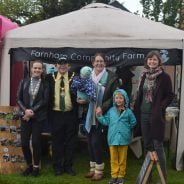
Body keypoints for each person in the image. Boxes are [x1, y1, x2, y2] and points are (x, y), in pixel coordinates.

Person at [134, 50, 174, 183]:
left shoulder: (164, 77)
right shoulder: (143, 75)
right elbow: (140, 93)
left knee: (158, 145)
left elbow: (170, 95)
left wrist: (161, 106)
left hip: (156, 116)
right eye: (150, 59)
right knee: (147, 144)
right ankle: (148, 176)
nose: (152, 61)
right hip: (143, 114)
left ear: (159, 62)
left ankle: (163, 179)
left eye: (155, 59)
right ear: (147, 61)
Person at [79, 53, 119, 181]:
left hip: (102, 115)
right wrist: (82, 100)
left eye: (101, 61)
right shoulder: (87, 76)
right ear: (93, 63)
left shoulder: (111, 77)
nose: (99, 63)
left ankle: (99, 171)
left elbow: (115, 96)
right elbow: (83, 93)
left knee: (97, 142)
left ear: (105, 63)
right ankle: (92, 169)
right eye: (97, 61)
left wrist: (103, 107)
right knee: (90, 142)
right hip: (88, 114)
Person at [17, 60, 49, 177]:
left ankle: (36, 168)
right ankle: (29, 166)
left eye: (39, 68)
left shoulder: (45, 84)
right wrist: (25, 110)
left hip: (38, 118)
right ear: (31, 69)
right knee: (24, 143)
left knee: (36, 143)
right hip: (25, 117)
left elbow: (44, 101)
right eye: (35, 68)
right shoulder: (23, 82)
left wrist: (32, 111)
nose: (37, 70)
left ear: (42, 70)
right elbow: (18, 98)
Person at [46, 60, 78, 176]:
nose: (62, 66)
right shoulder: (49, 78)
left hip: (70, 114)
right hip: (56, 114)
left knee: (70, 142)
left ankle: (68, 166)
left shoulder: (75, 77)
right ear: (56, 65)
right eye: (60, 63)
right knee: (56, 142)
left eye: (65, 64)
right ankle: (57, 167)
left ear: (68, 65)